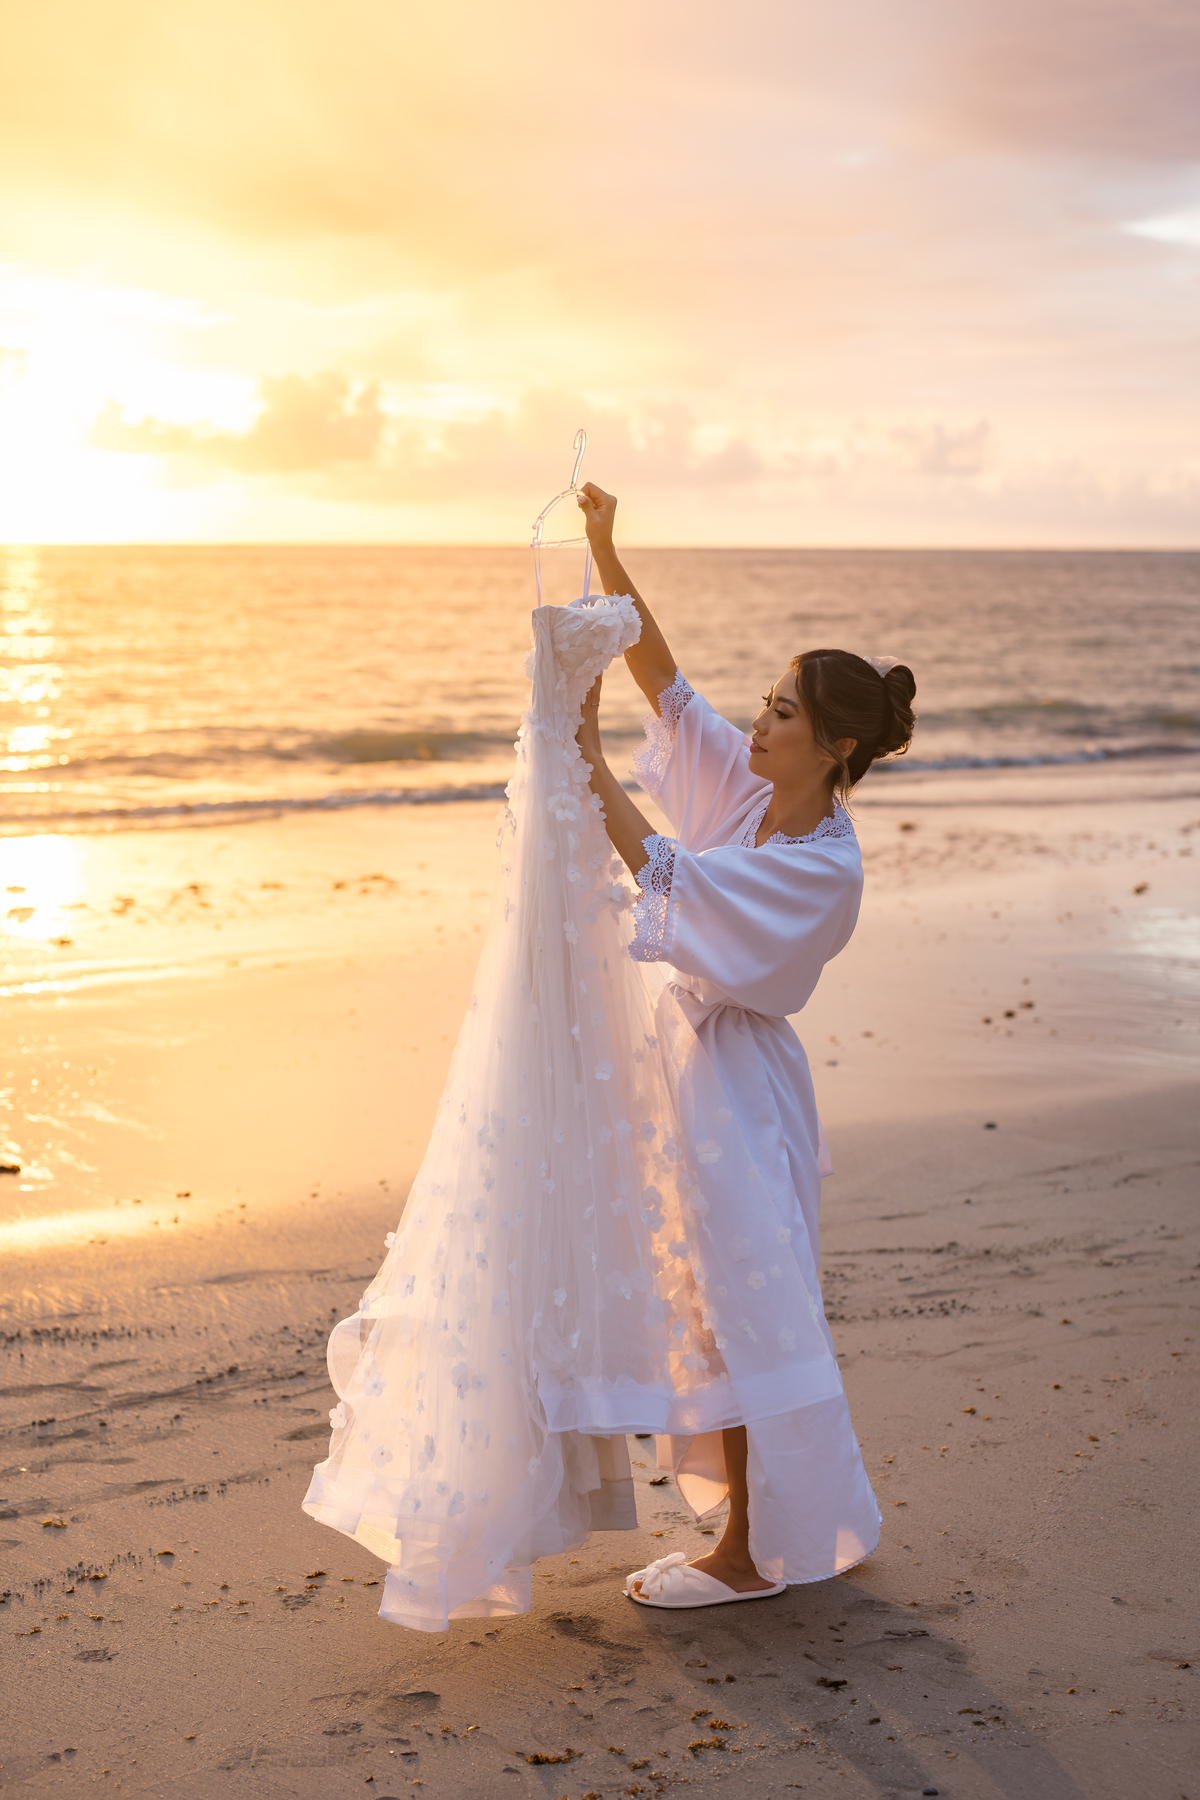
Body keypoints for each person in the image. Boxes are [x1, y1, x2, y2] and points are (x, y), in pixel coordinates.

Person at [572, 481, 916, 1608]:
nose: (757, 722)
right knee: (708, 1300)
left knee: (749, 1307)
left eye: (781, 712)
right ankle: (756, 1536)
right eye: (765, 702)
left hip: (741, 1091)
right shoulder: (756, 792)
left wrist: (589, 769)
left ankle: (752, 1556)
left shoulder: (825, 865)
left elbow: (671, 874)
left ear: (838, 745)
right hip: (690, 1072)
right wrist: (605, 551)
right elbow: (663, 682)